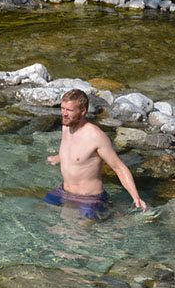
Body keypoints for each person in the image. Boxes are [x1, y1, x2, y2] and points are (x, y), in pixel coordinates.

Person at [45, 89, 148, 220]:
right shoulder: (66, 125)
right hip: (65, 191)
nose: (64, 114)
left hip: (89, 198)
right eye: (62, 108)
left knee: (80, 234)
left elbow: (119, 167)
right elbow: (73, 151)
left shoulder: (96, 136)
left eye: (69, 110)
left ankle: (113, 214)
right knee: (41, 212)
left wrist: (136, 197)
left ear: (83, 111)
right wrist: (56, 158)